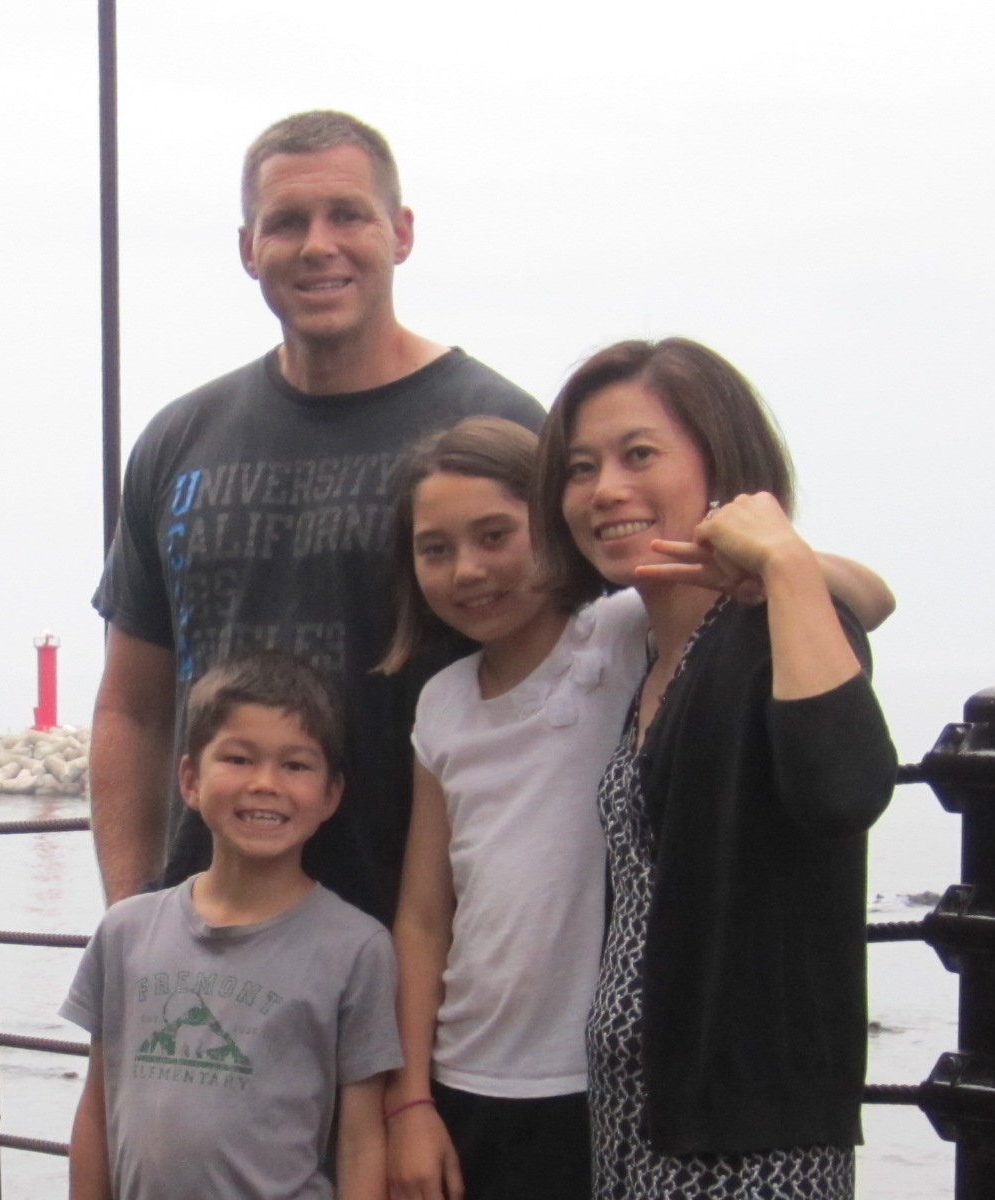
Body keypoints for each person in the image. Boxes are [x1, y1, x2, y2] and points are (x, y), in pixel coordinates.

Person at [377, 418, 896, 1200]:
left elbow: (873, 597)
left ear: (550, 525)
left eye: (495, 535)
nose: (468, 570)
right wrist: (412, 1098)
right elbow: (422, 918)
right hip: (467, 1074)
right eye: (435, 549)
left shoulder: (618, 633)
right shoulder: (441, 701)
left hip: (601, 1080)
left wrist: (773, 558)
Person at [89, 110, 543, 920]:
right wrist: (130, 919)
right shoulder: (179, 439)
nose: (317, 245)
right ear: (248, 249)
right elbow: (133, 708)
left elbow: (565, 682)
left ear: (401, 233)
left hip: (425, 938)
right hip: (209, 935)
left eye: (348, 215)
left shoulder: (499, 429)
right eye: (287, 222)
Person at [530, 337, 898, 1199]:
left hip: (747, 1136)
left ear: (723, 467)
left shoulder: (776, 628)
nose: (605, 489)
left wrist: (786, 564)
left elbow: (843, 788)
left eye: (640, 455)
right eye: (581, 468)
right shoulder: (649, 648)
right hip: (636, 1113)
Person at [62, 651, 403, 1200]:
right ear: (190, 780)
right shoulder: (124, 932)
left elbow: (362, 1141)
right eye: (239, 759)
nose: (265, 783)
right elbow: (96, 1109)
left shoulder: (357, 948)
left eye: (295, 765)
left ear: (331, 794)